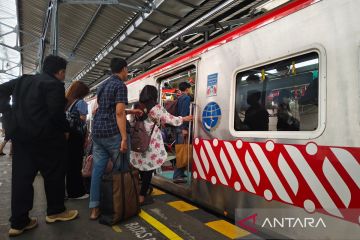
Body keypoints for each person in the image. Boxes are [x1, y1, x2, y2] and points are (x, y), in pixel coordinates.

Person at [0, 55, 79, 237]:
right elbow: (56, 114)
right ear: (59, 72)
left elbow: (1, 90)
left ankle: (19, 223)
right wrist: (66, 130)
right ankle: (55, 212)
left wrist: (8, 112)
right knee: (54, 175)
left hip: (22, 138)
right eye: (63, 73)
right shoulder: (55, 85)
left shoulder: (23, 80)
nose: (63, 76)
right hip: (48, 140)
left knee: (21, 179)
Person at [130, 85, 192, 205]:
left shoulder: (138, 105)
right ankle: (142, 196)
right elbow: (170, 119)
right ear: (154, 95)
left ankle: (142, 190)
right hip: (150, 141)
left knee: (142, 167)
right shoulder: (155, 107)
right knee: (149, 169)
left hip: (138, 139)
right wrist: (184, 118)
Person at [89, 58, 130, 220]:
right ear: (124, 69)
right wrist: (124, 138)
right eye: (127, 70)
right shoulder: (120, 86)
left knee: (97, 171)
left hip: (97, 133)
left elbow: (104, 109)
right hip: (113, 133)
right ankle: (121, 203)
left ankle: (95, 208)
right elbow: (119, 113)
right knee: (121, 170)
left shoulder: (102, 85)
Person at [65, 81, 90, 199]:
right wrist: (86, 136)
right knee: (76, 164)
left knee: (70, 164)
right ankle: (76, 192)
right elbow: (83, 122)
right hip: (77, 137)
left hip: (68, 136)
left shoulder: (68, 102)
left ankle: (70, 190)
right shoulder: (81, 103)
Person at [173, 82, 192, 183]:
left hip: (177, 127)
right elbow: (184, 113)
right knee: (181, 151)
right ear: (187, 89)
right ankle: (177, 175)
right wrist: (184, 128)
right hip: (182, 128)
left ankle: (181, 172)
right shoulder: (186, 98)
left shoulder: (179, 98)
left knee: (180, 150)